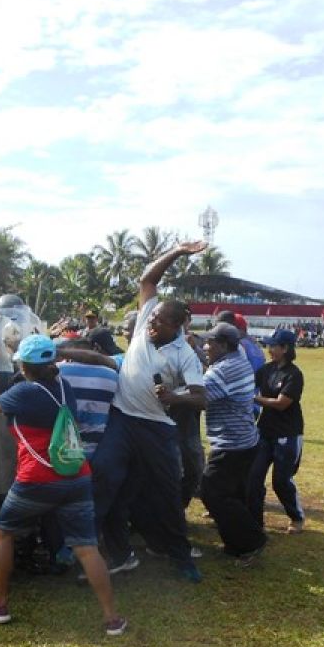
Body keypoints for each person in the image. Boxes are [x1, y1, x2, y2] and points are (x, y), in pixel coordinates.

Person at [0, 334, 126, 636]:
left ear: (25, 367)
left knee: (4, 534)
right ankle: (112, 618)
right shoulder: (63, 387)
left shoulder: (26, 392)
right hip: (76, 475)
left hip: (38, 478)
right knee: (86, 547)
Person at [92, 240, 208, 582]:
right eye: (152, 318)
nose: (151, 324)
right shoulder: (145, 320)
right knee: (102, 474)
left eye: (160, 322)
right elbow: (147, 281)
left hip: (156, 427)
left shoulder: (184, 354)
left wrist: (174, 397)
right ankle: (84, 544)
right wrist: (178, 252)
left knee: (168, 492)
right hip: (122, 418)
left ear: (178, 326)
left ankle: (181, 556)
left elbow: (201, 398)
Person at [198, 323, 265, 561]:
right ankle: (238, 544)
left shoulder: (223, 370)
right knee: (234, 494)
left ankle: (251, 541)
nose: (206, 347)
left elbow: (200, 398)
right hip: (245, 439)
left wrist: (170, 396)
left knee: (212, 493)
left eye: (210, 343)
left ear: (224, 345)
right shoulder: (239, 357)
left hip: (230, 443)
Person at [249, 329, 306, 534]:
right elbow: (248, 385)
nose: (270, 349)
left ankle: (296, 517)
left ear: (285, 348)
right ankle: (255, 520)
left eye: (274, 346)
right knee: (253, 477)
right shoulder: (266, 370)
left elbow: (282, 404)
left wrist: (254, 399)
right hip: (265, 431)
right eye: (269, 345)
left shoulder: (294, 374)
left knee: (281, 481)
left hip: (288, 433)